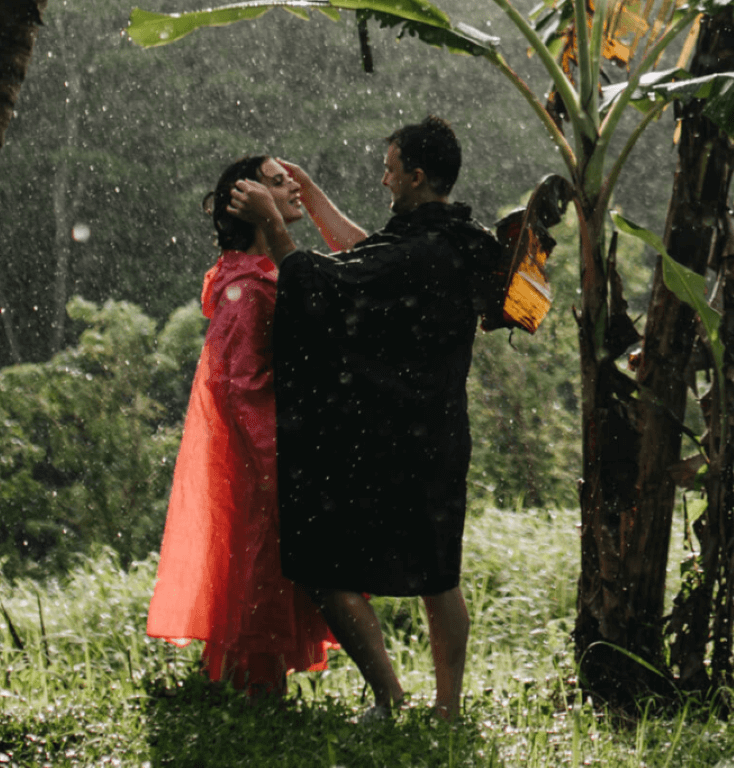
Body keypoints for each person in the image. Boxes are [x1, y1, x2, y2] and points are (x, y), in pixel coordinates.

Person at [227, 116, 500, 720]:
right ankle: (446, 710)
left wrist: (276, 226)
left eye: (391, 169)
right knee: (439, 573)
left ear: (417, 176)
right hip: (442, 433)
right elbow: (365, 256)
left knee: (325, 564)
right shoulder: (457, 239)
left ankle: (393, 698)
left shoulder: (418, 248)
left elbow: (330, 286)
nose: (384, 180)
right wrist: (315, 195)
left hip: (388, 438)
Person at [146, 156, 338, 698]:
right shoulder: (245, 290)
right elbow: (241, 389)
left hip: (281, 452)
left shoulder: (265, 275)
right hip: (265, 461)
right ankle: (257, 698)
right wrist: (281, 459)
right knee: (260, 570)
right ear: (251, 204)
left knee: (270, 572)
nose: (293, 188)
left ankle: (255, 697)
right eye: (279, 183)